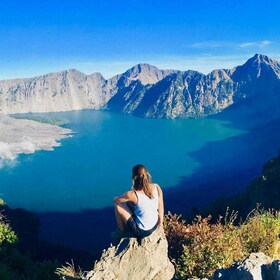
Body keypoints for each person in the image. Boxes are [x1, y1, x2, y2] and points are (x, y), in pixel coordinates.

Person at [112, 164, 164, 241]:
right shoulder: (156, 187)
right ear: (147, 174)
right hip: (155, 224)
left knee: (118, 206)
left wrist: (117, 197)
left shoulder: (132, 194)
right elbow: (161, 207)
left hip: (142, 231)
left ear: (134, 178)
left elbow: (116, 200)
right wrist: (160, 223)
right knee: (130, 203)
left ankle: (121, 232)